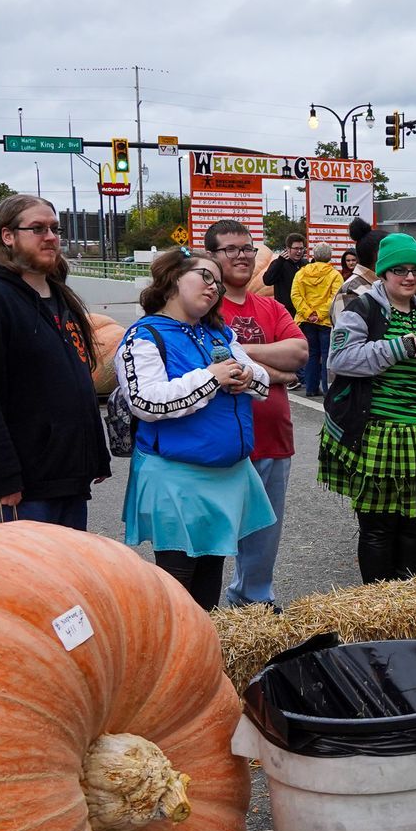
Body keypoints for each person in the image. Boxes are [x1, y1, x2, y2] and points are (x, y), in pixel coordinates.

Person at [116, 248, 276, 610]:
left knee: (210, 573)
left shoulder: (218, 333)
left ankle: (205, 653)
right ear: (173, 278)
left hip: (226, 476)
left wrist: (247, 376)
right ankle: (177, 659)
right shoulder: (143, 335)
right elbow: (147, 402)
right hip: (176, 478)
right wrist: (210, 379)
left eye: (218, 284)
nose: (214, 288)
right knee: (177, 586)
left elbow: (263, 381)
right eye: (205, 277)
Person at [320, 231, 416, 582]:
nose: (409, 278)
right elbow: (340, 359)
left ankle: (407, 602)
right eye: (399, 270)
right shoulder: (363, 308)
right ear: (384, 273)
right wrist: (401, 347)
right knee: (377, 527)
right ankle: (376, 604)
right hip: (377, 430)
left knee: (412, 526)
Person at [0, 195, 110, 527]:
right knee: (28, 579)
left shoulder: (59, 296)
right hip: (23, 487)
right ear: (8, 236)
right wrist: (3, 478)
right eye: (37, 228)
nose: (51, 237)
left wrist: (95, 454)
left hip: (67, 476)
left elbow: (77, 379)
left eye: (55, 228)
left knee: (69, 576)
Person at [207, 220, 308, 610]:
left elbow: (299, 354)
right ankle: (203, 612)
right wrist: (276, 370)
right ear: (211, 257)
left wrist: (239, 354)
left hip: (273, 438)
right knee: (215, 534)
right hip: (222, 441)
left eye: (247, 248)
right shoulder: (203, 307)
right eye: (230, 249)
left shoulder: (270, 305)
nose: (242, 256)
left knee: (264, 533)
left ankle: (253, 601)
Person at [291, 243, 342, 398]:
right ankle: (327, 389)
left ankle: (311, 388)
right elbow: (336, 298)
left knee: (311, 354)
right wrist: (319, 314)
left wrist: (308, 313)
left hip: (305, 321)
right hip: (326, 321)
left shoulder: (301, 273)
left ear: (313, 255)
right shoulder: (334, 275)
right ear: (330, 256)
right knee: (327, 355)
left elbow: (295, 295)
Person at [263, 233, 308, 329]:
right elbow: (267, 280)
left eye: (301, 248)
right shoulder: (279, 263)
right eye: (296, 248)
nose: (299, 251)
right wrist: (279, 262)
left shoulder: (305, 264)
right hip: (285, 312)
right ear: (288, 249)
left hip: (303, 312)